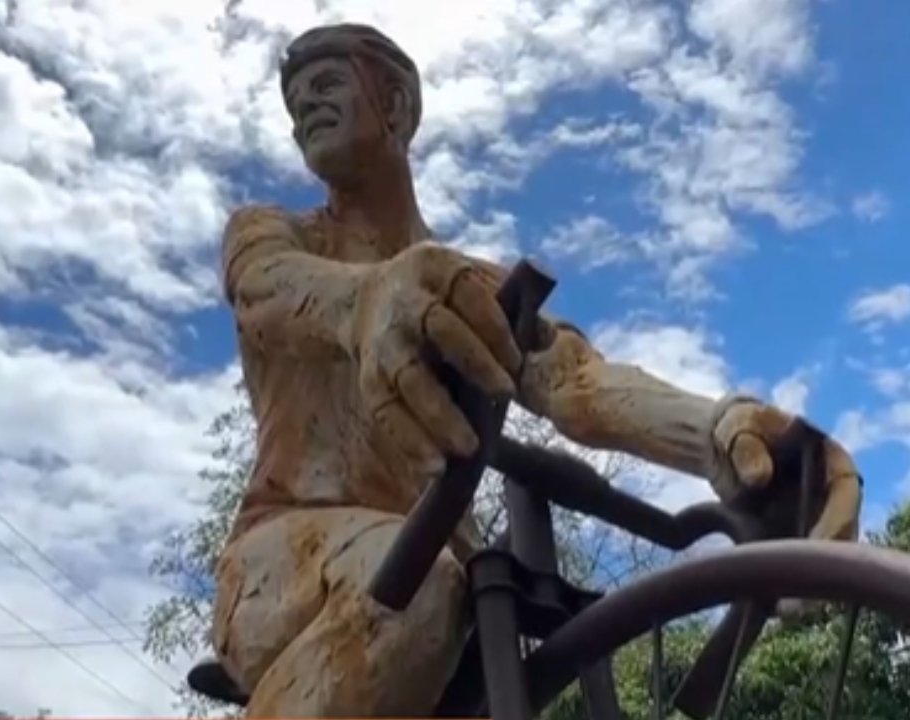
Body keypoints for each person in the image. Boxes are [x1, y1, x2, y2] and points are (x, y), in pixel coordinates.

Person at [211, 22, 863, 718]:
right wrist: (363, 300)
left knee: (449, 606)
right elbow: (265, 289)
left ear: (395, 105)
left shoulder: (462, 287)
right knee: (423, 588)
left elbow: (577, 384)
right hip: (281, 564)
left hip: (441, 592)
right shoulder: (272, 235)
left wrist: (719, 432)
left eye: (326, 85)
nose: (305, 108)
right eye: (294, 101)